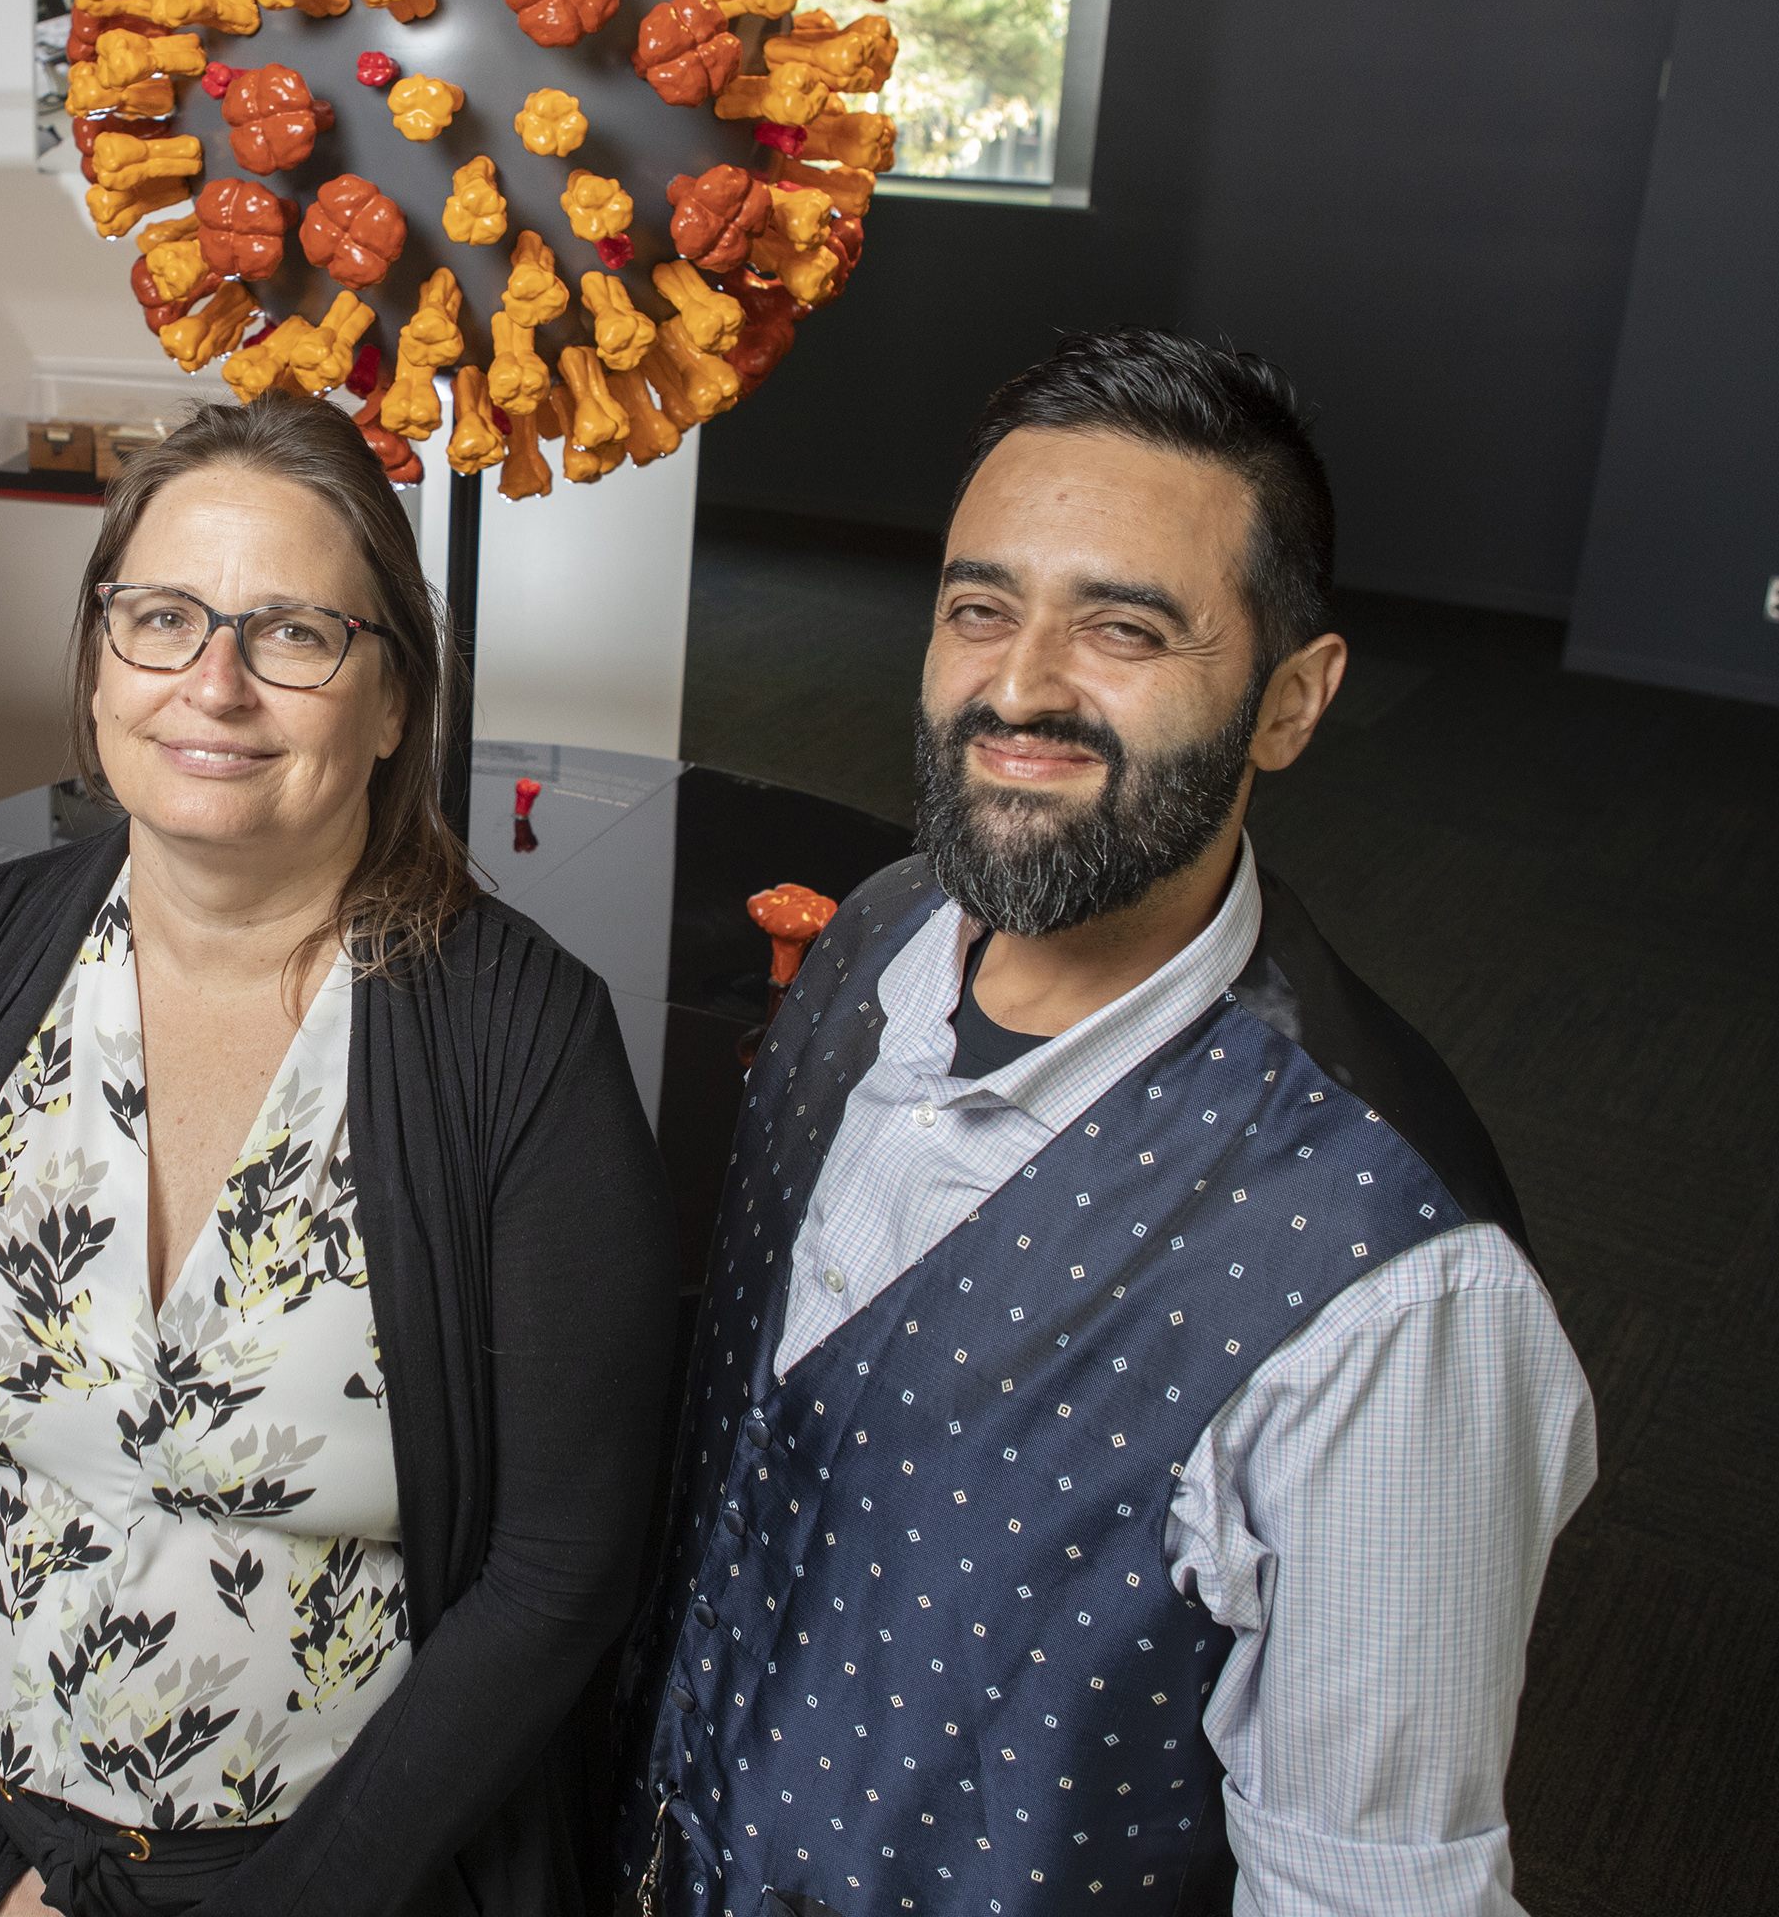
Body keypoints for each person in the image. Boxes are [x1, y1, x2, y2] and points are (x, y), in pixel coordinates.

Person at [616, 332, 1597, 1917]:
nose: (1019, 687)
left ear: (1292, 703)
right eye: (979, 610)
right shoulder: (872, 935)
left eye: (1125, 629)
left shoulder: (1389, 1296)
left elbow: (1367, 1891)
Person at [0, 396, 682, 1917]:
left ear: (394, 700)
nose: (214, 684)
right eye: (163, 618)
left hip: (340, 1875)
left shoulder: (521, 1039)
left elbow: (560, 1567)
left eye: (293, 636)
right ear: (95, 658)